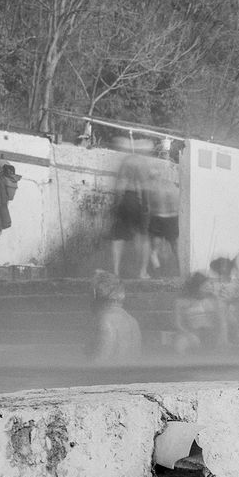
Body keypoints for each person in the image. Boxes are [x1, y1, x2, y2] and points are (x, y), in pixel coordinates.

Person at [108, 145, 152, 279]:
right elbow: (144, 186)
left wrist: (116, 204)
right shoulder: (142, 163)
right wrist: (145, 205)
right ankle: (142, 272)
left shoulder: (126, 161)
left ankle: (116, 271)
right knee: (143, 238)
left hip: (124, 199)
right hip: (137, 200)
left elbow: (119, 184)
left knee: (118, 238)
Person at [85, 269, 143, 362]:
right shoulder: (133, 321)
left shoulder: (105, 321)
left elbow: (100, 362)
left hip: (109, 375)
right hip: (128, 375)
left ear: (96, 294)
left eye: (90, 293)